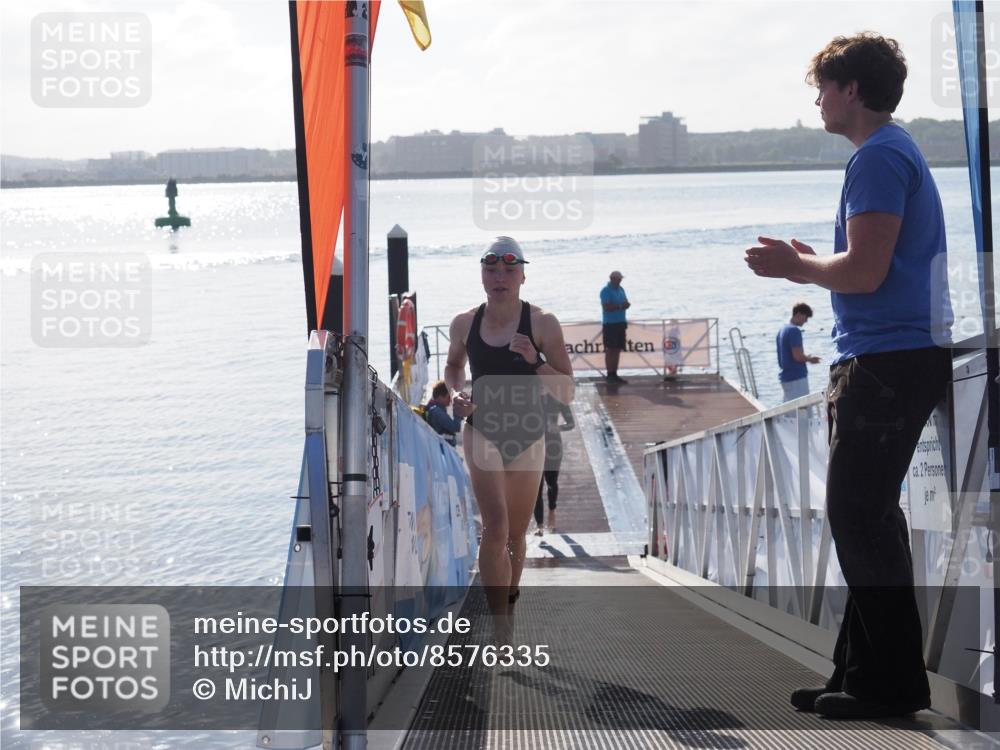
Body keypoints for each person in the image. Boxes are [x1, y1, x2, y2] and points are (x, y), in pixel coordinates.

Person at [745, 33, 951, 720]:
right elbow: (870, 262)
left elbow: (865, 272)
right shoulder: (893, 153)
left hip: (887, 361)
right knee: (868, 520)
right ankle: (862, 673)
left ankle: (890, 686)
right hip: (896, 355)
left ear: (851, 90)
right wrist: (814, 261)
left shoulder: (878, 158)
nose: (817, 100)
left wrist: (796, 268)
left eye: (824, 87)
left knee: (858, 519)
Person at [445, 237, 575, 640]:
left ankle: (510, 606)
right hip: (482, 430)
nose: (499, 277)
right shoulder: (465, 323)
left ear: (522, 274)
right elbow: (452, 367)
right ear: (482, 273)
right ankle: (498, 623)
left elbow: (567, 390)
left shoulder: (542, 323)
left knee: (517, 534)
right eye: (490, 269)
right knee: (496, 527)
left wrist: (535, 361)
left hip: (528, 435)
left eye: (508, 269)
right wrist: (455, 394)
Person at [533, 394, 575, 535]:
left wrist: (559, 427)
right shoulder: (529, 398)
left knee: (551, 482)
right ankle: (539, 525)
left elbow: (571, 423)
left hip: (553, 446)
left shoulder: (557, 398)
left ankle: (552, 510)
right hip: (533, 446)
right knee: (536, 488)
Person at [776, 302, 821, 402]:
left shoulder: (782, 329)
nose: (806, 321)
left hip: (786, 377)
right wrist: (810, 359)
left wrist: (805, 357)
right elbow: (797, 356)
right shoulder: (794, 331)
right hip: (796, 377)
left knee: (790, 413)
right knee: (803, 411)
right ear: (799, 314)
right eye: (806, 317)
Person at [600, 271, 630, 383]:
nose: (620, 281)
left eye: (620, 279)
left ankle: (614, 373)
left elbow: (625, 301)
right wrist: (621, 306)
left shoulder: (621, 289)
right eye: (618, 279)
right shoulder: (605, 291)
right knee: (610, 349)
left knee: (617, 349)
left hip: (621, 322)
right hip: (610, 324)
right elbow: (606, 307)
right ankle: (609, 374)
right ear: (612, 278)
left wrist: (626, 304)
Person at [424, 380, 463, 446]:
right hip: (442, 448)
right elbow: (456, 427)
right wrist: (457, 411)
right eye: (448, 397)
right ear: (440, 397)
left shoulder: (432, 408)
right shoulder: (437, 412)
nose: (450, 401)